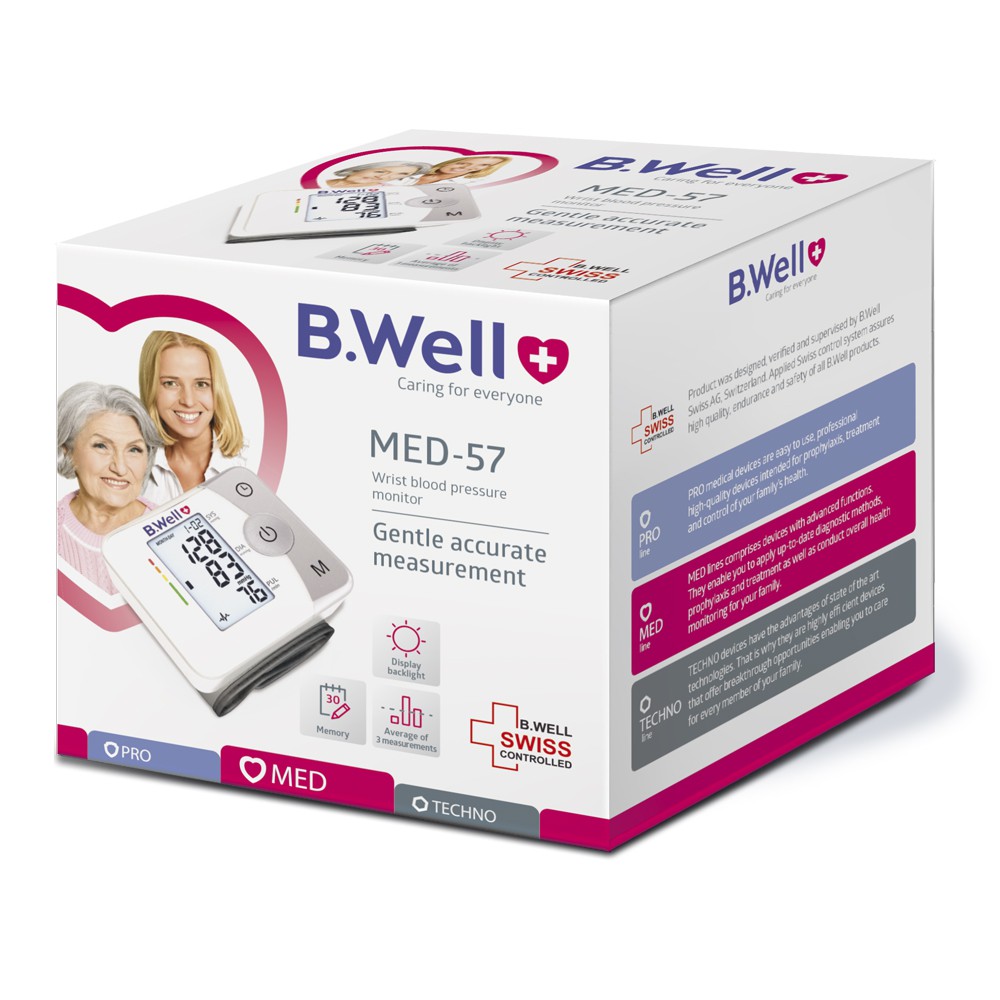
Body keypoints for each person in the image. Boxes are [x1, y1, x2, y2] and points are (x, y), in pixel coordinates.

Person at [57, 383, 162, 594]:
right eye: (101, 446)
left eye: (134, 449)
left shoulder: (173, 530)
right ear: (68, 451)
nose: (120, 468)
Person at [138, 330, 246, 504]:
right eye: (171, 383)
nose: (188, 401)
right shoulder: (132, 468)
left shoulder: (248, 462)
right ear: (150, 387)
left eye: (201, 384)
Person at [323, 161, 430, 189]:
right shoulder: (320, 182)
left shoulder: (390, 190)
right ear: (357, 169)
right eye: (380, 171)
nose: (383, 177)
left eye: (402, 174)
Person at [414, 155, 511, 185]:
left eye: (483, 165)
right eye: (461, 163)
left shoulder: (470, 183)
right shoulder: (415, 170)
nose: (466, 168)